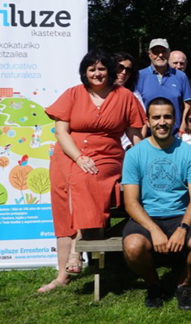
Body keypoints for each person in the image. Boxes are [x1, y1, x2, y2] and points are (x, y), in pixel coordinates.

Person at [40, 49, 145, 293]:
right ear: (85, 73)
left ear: (109, 71)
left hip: (106, 156)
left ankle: (78, 251)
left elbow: (136, 136)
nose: (97, 73)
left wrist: (145, 161)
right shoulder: (73, 94)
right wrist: (78, 156)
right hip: (68, 155)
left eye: (101, 69)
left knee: (86, 179)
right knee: (63, 209)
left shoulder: (125, 96)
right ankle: (61, 275)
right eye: (92, 69)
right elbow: (61, 131)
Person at [121, 97, 191, 310]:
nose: (162, 122)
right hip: (147, 217)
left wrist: (183, 228)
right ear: (147, 121)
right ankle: (154, 284)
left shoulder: (187, 152)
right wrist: (153, 229)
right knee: (132, 246)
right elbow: (130, 202)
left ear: (175, 120)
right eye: (156, 117)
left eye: (167, 117)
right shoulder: (134, 154)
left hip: (180, 215)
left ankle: (183, 284)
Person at [135, 38, 191, 134]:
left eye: (163, 51)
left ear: (169, 53)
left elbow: (187, 105)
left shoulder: (180, 76)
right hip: (148, 135)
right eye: (156, 52)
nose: (160, 55)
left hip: (174, 135)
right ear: (149, 54)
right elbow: (136, 107)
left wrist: (182, 129)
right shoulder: (140, 76)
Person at [115, 52, 147, 150]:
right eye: (120, 67)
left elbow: (143, 123)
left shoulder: (134, 95)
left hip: (127, 148)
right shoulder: (100, 93)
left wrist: (136, 147)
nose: (124, 72)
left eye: (128, 70)